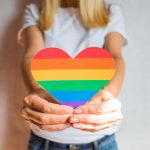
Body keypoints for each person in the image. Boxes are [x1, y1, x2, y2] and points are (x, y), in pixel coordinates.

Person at [17, 0, 128, 149]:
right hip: (45, 139)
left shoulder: (111, 12)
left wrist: (108, 94)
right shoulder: (35, 12)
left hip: (101, 140)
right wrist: (36, 89)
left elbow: (115, 56)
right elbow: (32, 55)